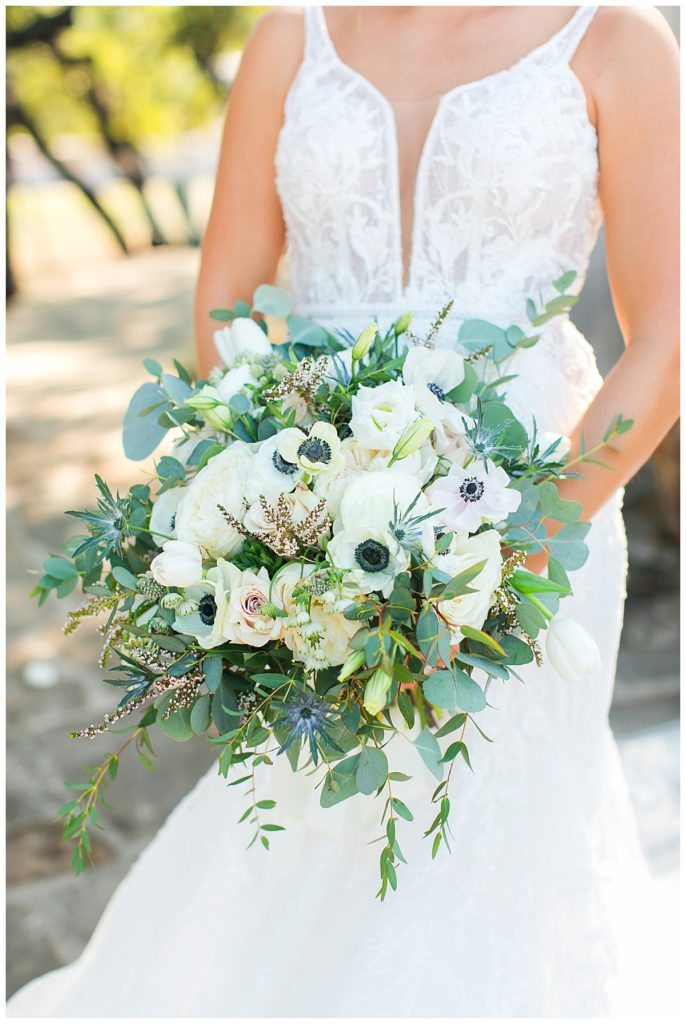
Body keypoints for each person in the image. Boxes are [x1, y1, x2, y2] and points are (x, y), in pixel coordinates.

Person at [8, 5, 680, 1017]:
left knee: (483, 843)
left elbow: (666, 327)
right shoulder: (291, 38)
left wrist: (527, 539)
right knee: (306, 817)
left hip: (535, 518)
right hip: (305, 519)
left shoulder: (616, 40)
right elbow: (227, 300)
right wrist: (260, 503)